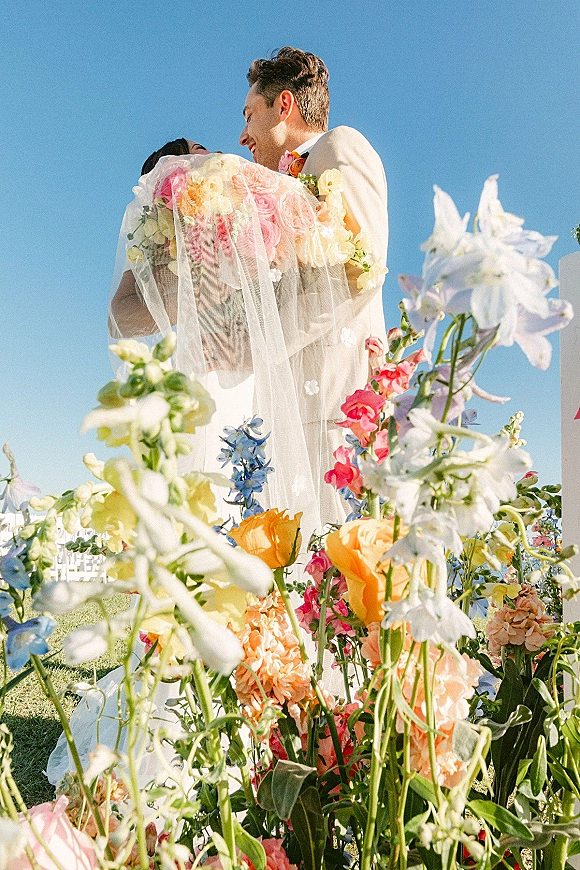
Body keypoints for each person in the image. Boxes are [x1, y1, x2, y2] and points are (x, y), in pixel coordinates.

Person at [240, 47, 389, 520]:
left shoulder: (339, 147)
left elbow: (359, 273)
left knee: (340, 580)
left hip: (338, 412)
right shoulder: (276, 190)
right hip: (288, 417)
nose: (242, 135)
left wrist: (258, 345)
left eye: (249, 114)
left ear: (283, 106)